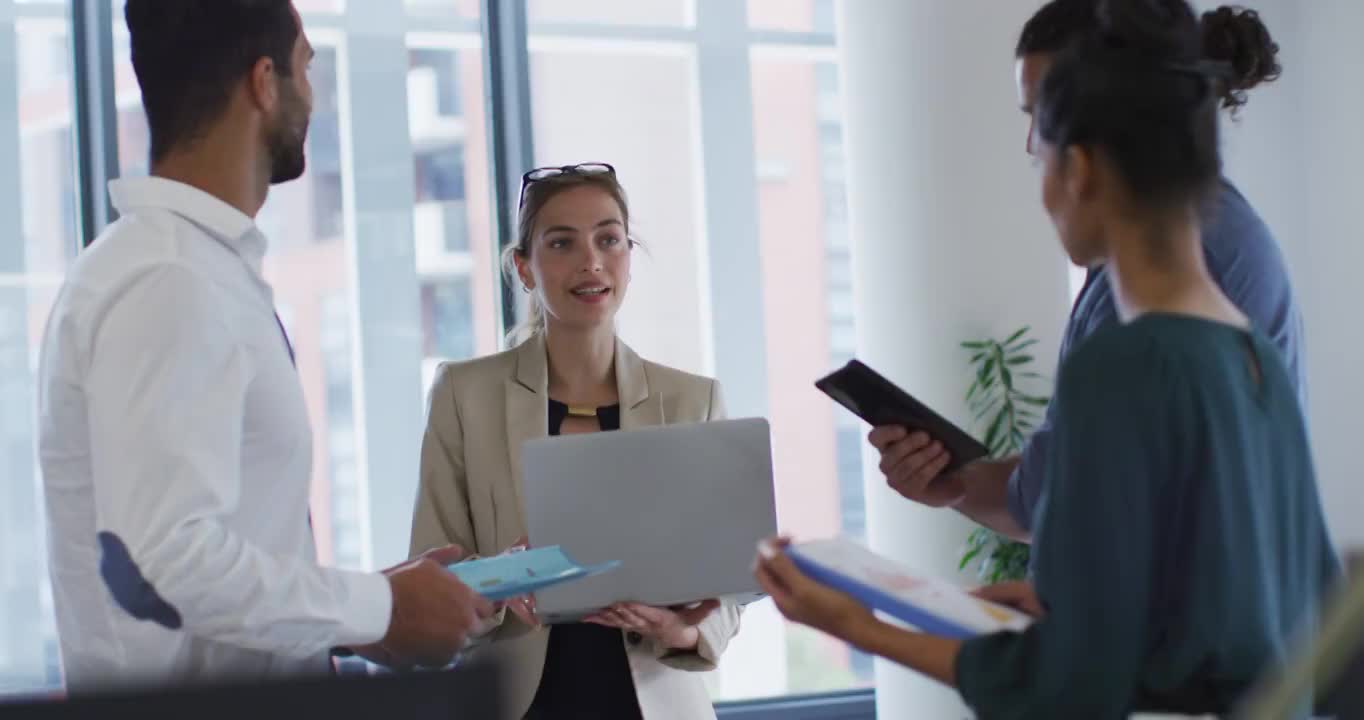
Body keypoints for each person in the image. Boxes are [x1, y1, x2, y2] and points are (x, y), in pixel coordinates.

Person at [755, 0, 1339, 716]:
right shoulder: (1254, 361)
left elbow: (1066, 688)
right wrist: (1078, 607)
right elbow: (1274, 623)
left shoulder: (1127, 363)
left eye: (1042, 149)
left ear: (1082, 170)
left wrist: (860, 626)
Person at [35, 0, 491, 693]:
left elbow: (210, 558)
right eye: (306, 66)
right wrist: (379, 608)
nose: (315, 93)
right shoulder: (171, 279)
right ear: (263, 82)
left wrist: (368, 613)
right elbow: (165, 560)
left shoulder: (189, 269)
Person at [870, 0, 1307, 544]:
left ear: (1086, 155)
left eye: (1044, 116)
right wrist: (955, 483)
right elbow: (1053, 500)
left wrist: (863, 621)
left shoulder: (1154, 331)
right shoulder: (1155, 280)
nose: (1034, 147)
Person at [408, 163, 741, 720]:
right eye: (561, 243)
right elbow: (430, 568)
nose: (590, 262)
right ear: (525, 267)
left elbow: (727, 591)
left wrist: (682, 629)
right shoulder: (465, 395)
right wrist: (497, 580)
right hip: (516, 702)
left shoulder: (692, 402)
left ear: (628, 258)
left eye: (608, 239)